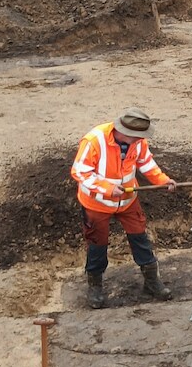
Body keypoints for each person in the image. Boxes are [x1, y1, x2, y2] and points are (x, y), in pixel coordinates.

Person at [70, 107, 177, 309]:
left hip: (128, 201)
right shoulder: (94, 141)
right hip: (97, 203)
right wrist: (108, 189)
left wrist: (163, 180)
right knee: (97, 244)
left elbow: (147, 164)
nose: (140, 141)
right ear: (125, 132)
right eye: (137, 137)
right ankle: (95, 286)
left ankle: (152, 282)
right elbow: (80, 172)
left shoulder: (137, 143)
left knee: (140, 238)